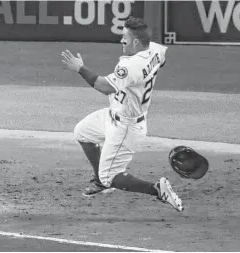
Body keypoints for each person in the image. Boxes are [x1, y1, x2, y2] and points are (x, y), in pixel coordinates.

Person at [61, 16, 184, 211]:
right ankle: (101, 182)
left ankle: (157, 190)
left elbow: (104, 87)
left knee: (112, 175)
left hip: (126, 126)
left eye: (124, 38)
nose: (121, 41)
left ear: (136, 41)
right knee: (82, 132)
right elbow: (163, 60)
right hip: (113, 114)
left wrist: (79, 68)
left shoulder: (131, 66)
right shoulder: (154, 49)